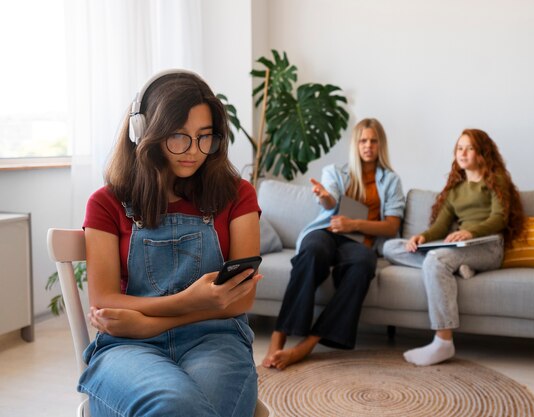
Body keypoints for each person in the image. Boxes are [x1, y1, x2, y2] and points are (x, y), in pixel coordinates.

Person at [80, 69, 262, 417]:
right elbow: (103, 300)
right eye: (179, 136)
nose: (194, 151)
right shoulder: (105, 203)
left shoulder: (238, 195)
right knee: (176, 405)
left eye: (205, 137)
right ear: (143, 132)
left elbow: (244, 297)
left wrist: (149, 322)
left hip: (216, 339)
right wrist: (191, 301)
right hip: (126, 345)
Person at [262, 118, 405, 370]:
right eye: (363, 140)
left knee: (363, 264)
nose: (368, 146)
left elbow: (392, 226)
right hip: (326, 232)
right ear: (355, 144)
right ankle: (279, 336)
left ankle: (306, 346)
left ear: (381, 144)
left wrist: (354, 225)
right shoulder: (336, 172)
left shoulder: (391, 180)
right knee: (313, 251)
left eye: (373, 141)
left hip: (359, 242)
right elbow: (329, 202)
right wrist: (326, 197)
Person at [383, 128, 525, 366]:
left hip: (488, 246)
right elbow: (440, 228)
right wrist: (421, 237)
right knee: (391, 247)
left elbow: (499, 218)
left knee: (436, 260)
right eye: (460, 148)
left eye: (470, 148)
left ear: (482, 153)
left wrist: (471, 231)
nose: (463, 153)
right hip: (460, 247)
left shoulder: (495, 179)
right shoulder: (455, 189)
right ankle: (458, 267)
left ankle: (443, 341)